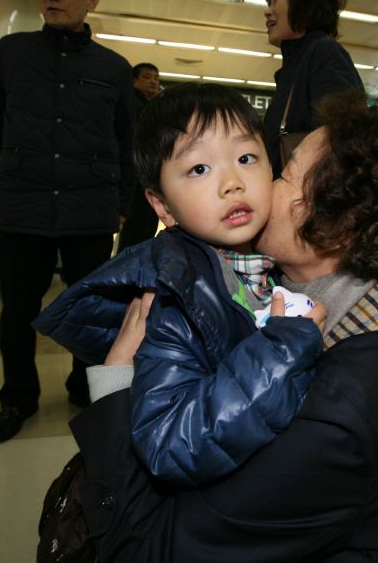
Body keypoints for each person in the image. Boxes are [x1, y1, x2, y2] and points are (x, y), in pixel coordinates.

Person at [70, 89, 378, 562]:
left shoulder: (335, 413)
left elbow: (147, 550)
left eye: (282, 172)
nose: (247, 185)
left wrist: (114, 388)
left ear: (340, 224)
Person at [34, 82, 325, 486]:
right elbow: (170, 444)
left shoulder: (265, 264)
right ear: (163, 206)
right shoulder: (172, 301)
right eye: (199, 169)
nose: (232, 183)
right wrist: (279, 353)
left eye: (246, 157)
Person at [0, 0, 136, 443]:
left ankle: (83, 387)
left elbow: (126, 140)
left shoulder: (114, 68)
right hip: (23, 202)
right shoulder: (12, 52)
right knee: (18, 311)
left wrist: (124, 204)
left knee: (90, 307)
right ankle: (17, 398)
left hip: (88, 207)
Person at [263, 0, 363, 178]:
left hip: (311, 206)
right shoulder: (292, 70)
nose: (267, 11)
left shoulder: (324, 54)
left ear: (305, 3)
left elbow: (345, 143)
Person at [117, 63, 160, 252]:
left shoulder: (150, 106)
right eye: (147, 77)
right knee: (137, 228)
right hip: (136, 177)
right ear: (134, 81)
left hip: (146, 177)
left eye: (156, 78)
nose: (153, 81)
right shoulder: (133, 106)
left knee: (145, 226)